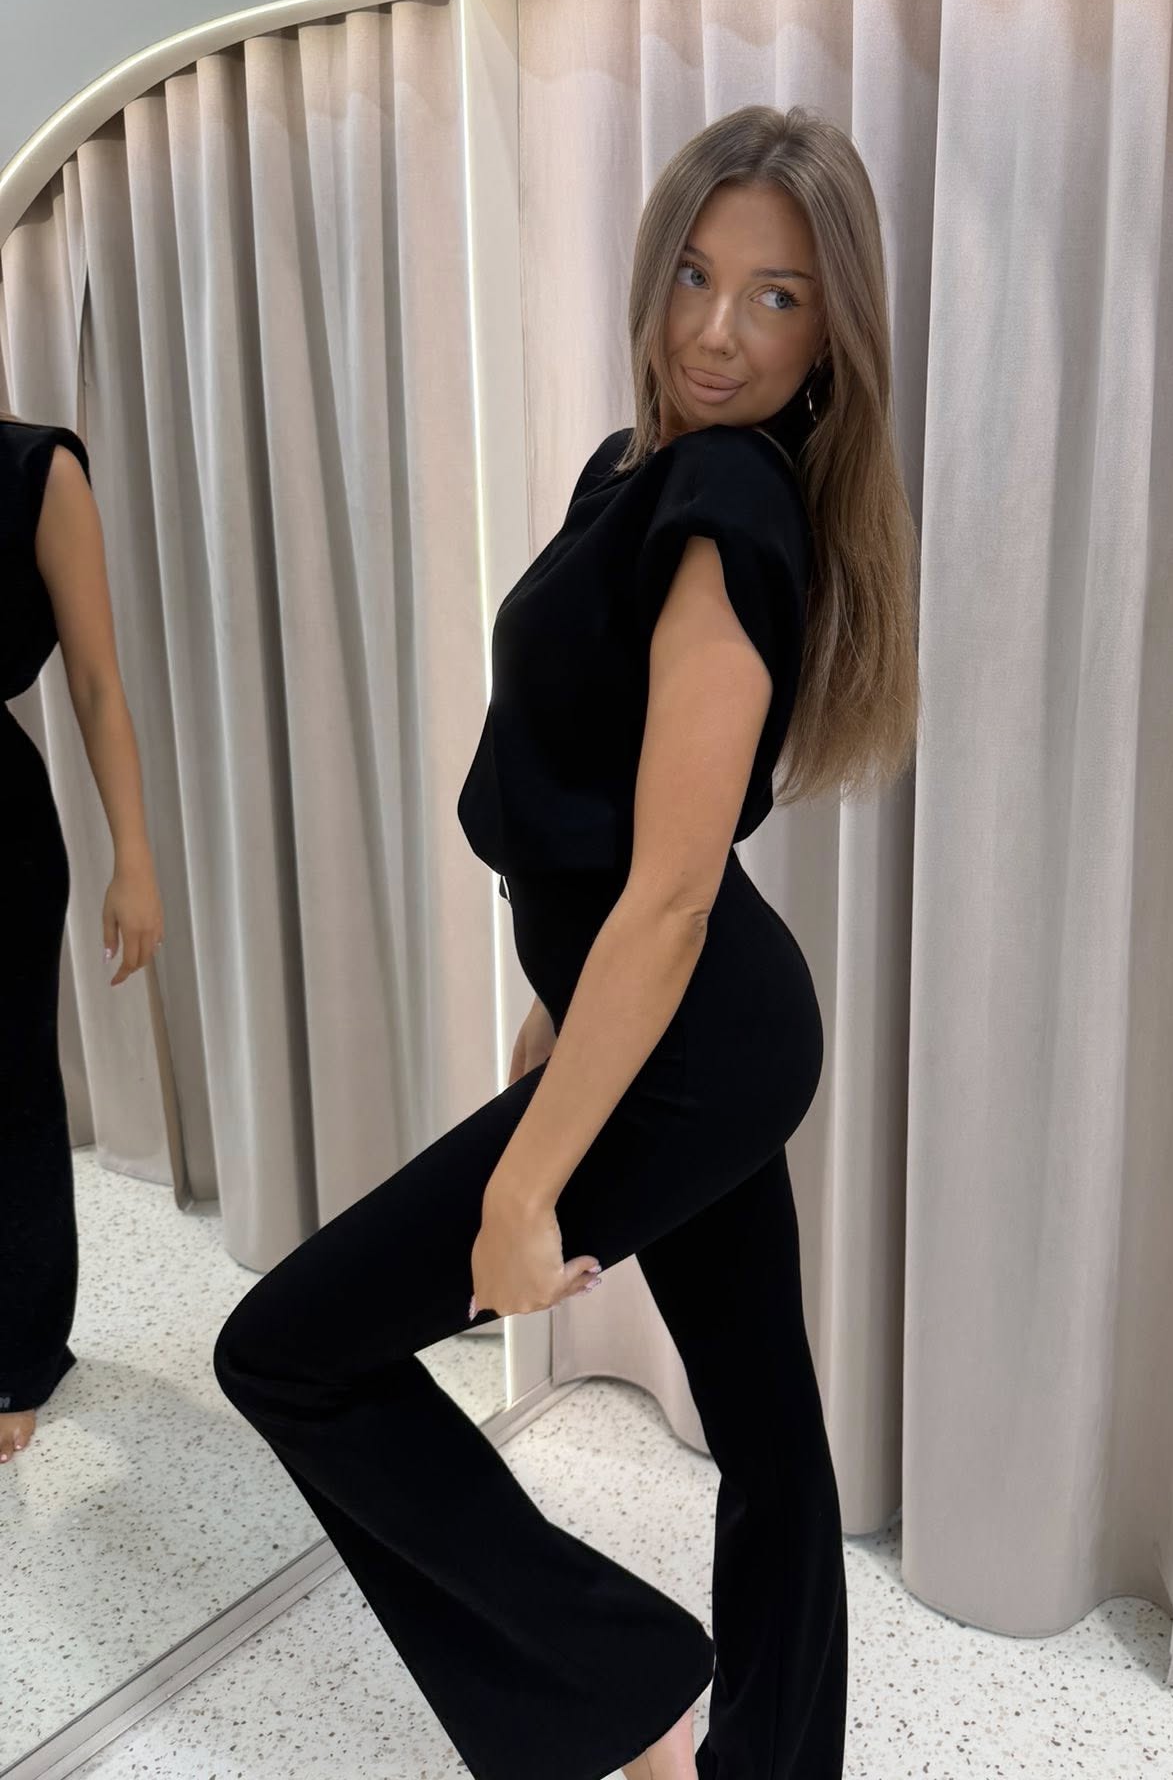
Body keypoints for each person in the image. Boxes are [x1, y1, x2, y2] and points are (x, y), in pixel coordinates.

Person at [213, 101, 920, 1780]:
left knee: (288, 1353)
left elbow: (668, 893)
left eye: (777, 297)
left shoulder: (728, 499)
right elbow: (605, 809)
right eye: (695, 273)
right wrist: (553, 1000)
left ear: (831, 341)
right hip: (688, 1015)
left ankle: (629, 1689)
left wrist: (528, 1180)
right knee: (768, 1428)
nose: (716, 330)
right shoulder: (637, 467)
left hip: (694, 1035)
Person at [0, 412, 165, 1465]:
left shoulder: (37, 470)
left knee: (9, 1089)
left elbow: (98, 683)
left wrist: (133, 859)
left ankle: (17, 1355)